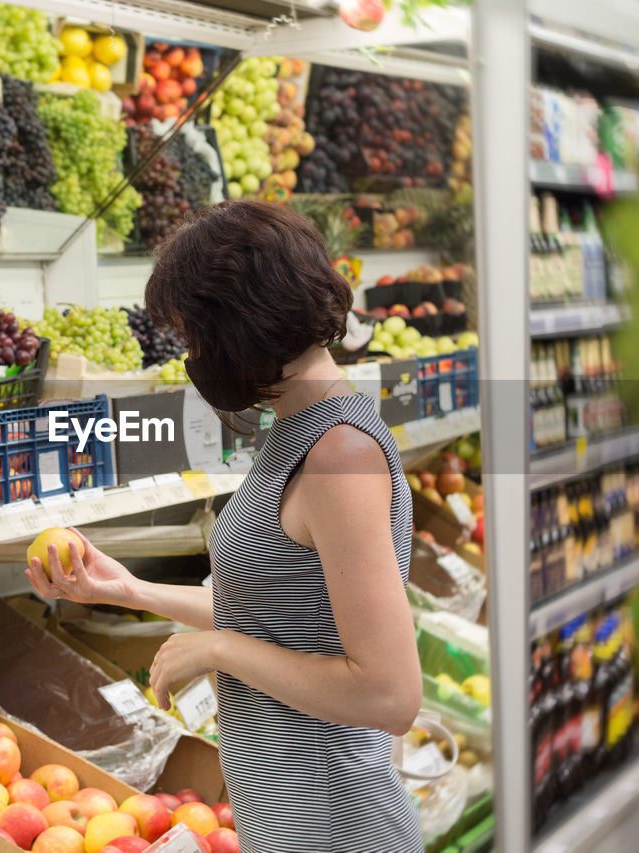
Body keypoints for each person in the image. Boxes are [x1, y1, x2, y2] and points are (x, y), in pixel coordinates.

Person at [25, 200, 424, 852]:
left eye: (195, 336)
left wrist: (218, 649)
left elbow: (389, 692)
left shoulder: (338, 453)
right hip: (292, 824)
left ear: (242, 325)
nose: (193, 356)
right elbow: (280, 611)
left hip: (337, 828)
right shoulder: (296, 431)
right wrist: (130, 591)